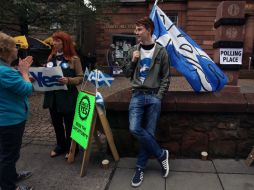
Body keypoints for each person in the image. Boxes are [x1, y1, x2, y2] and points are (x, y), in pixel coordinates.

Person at [123, 17, 170, 187]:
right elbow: (126, 73)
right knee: (134, 128)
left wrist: (159, 96)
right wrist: (134, 60)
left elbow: (166, 77)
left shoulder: (161, 51)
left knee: (149, 133)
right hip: (137, 95)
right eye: (135, 30)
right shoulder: (134, 50)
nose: (136, 33)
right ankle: (161, 154)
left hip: (153, 96)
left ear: (149, 30)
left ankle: (140, 167)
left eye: (139, 29)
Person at [0, 32, 33, 190]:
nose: (16, 49)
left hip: (6, 119)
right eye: (14, 46)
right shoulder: (4, 71)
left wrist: (20, 73)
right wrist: (25, 72)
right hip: (9, 120)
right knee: (9, 155)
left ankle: (11, 176)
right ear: (4, 50)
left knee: (7, 153)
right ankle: (8, 187)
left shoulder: (5, 69)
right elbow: (26, 89)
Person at [43, 31, 83, 158]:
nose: (54, 43)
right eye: (54, 40)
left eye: (58, 41)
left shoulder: (74, 59)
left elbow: (81, 78)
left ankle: (72, 148)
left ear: (65, 43)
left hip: (68, 97)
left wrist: (69, 80)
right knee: (57, 123)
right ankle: (60, 146)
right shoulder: (50, 58)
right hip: (53, 97)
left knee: (70, 123)